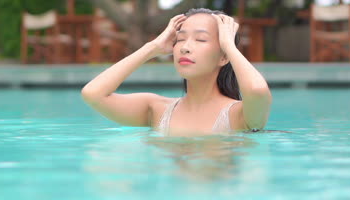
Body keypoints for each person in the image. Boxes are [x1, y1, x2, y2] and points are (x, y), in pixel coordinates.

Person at [81, 8, 272, 137]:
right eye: (180, 39)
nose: (185, 48)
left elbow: (256, 90)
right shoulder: (156, 110)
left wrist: (229, 47)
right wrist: (152, 47)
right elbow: (93, 94)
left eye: (201, 39)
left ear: (223, 57)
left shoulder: (239, 116)